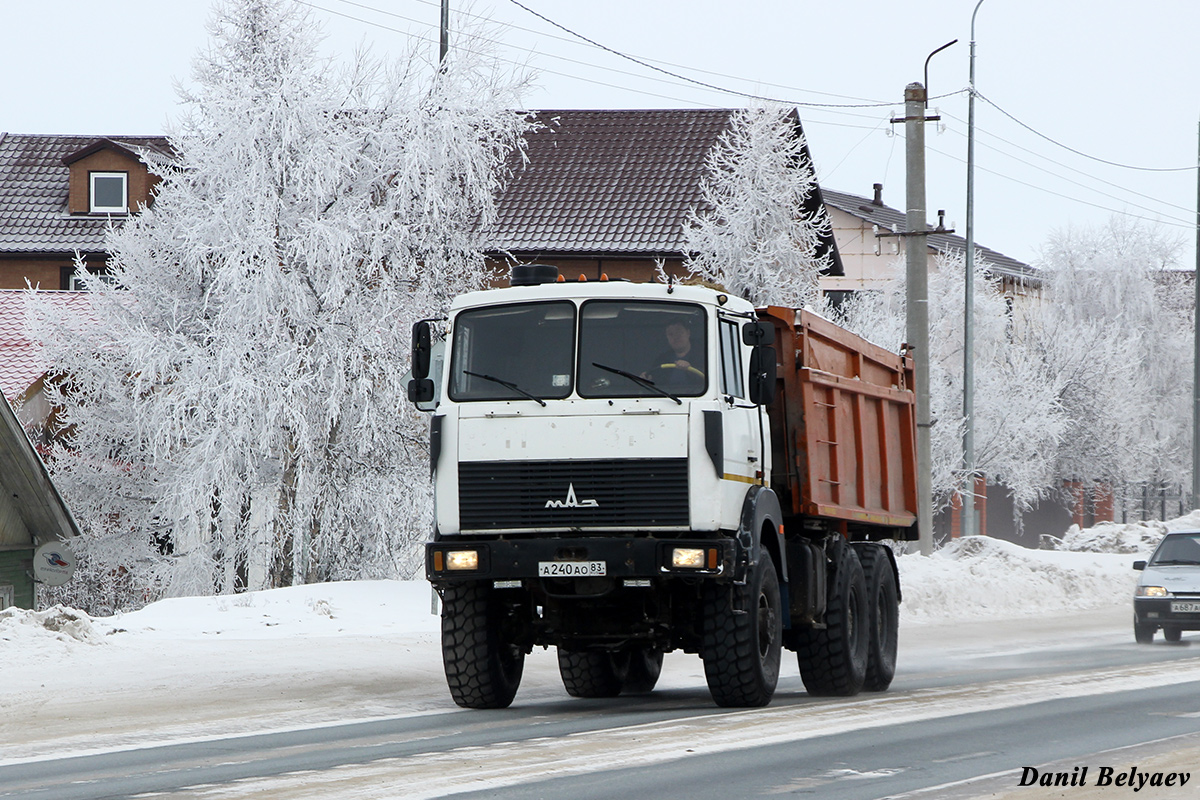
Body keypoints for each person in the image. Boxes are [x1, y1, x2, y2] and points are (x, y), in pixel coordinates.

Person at [644, 320, 705, 393]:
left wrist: (690, 370)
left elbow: (711, 381)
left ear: (688, 333)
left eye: (679, 332)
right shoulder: (661, 360)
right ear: (667, 337)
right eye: (670, 334)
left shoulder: (704, 356)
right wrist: (646, 379)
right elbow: (655, 381)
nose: (676, 337)